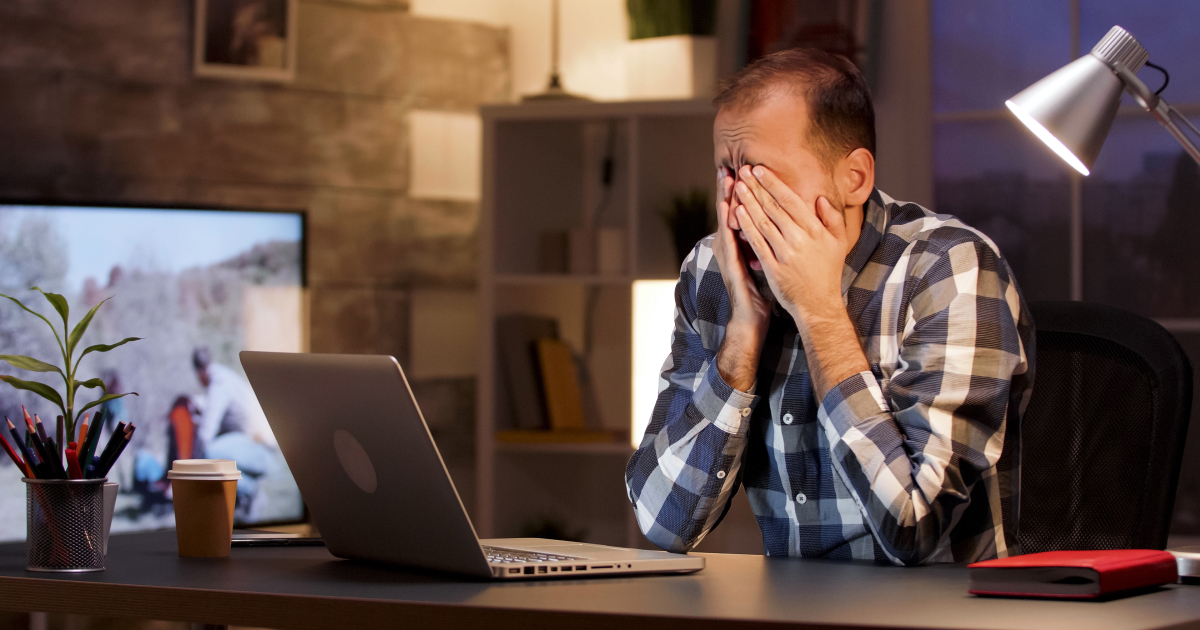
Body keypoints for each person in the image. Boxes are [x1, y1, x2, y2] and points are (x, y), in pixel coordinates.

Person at [625, 48, 1035, 566]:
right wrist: (742, 334)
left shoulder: (949, 269)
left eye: (760, 178)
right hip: (792, 616)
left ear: (854, 179)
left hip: (942, 615)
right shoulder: (714, 272)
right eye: (727, 176)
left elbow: (914, 526)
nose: (737, 209)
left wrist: (818, 312)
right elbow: (664, 524)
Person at [191, 346, 279, 519]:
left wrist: (191, 464)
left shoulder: (219, 383)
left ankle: (251, 492)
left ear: (199, 372)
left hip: (263, 453)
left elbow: (206, 432)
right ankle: (242, 497)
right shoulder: (223, 376)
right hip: (256, 448)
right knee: (213, 451)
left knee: (209, 454)